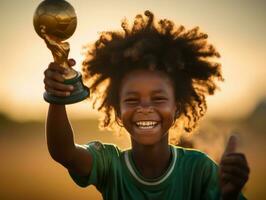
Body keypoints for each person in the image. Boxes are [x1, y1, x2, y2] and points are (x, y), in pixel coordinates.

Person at [43, 11, 249, 200]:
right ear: (118, 114)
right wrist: (57, 96)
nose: (145, 108)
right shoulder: (110, 165)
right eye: (132, 100)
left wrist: (227, 197)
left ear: (177, 108)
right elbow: (64, 152)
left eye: (158, 98)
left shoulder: (200, 169)